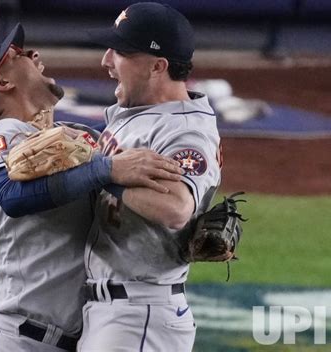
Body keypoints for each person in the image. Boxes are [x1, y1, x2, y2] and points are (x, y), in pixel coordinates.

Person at [0, 22, 184, 352]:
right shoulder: (6, 136)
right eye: (19, 55)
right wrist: (107, 168)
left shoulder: (74, 138)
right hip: (21, 339)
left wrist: (189, 229)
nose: (35, 55)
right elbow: (12, 196)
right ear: (0, 82)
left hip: (84, 337)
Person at [78, 3, 223, 352]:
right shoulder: (143, 113)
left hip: (139, 316)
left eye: (121, 52)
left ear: (158, 66)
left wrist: (102, 172)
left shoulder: (185, 131)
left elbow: (176, 208)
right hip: (113, 311)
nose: (107, 61)